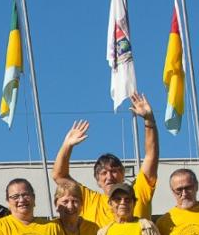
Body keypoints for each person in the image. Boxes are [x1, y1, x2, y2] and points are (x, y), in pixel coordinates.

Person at [53, 91, 160, 227]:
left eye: (114, 171)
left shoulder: (138, 192)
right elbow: (59, 175)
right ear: (97, 180)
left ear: (123, 174)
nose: (109, 177)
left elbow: (151, 156)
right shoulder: (89, 200)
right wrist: (67, 146)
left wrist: (149, 121)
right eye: (103, 173)